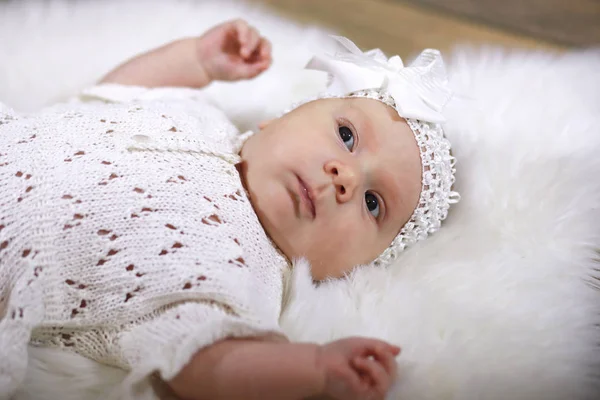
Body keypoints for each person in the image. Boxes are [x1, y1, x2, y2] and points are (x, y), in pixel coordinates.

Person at [0, 19, 458, 400]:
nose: (345, 177)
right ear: (279, 118)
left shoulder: (241, 272)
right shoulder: (201, 112)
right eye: (346, 136)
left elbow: (209, 363)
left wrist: (314, 368)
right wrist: (195, 60)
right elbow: (122, 88)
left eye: (373, 203)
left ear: (355, 266)